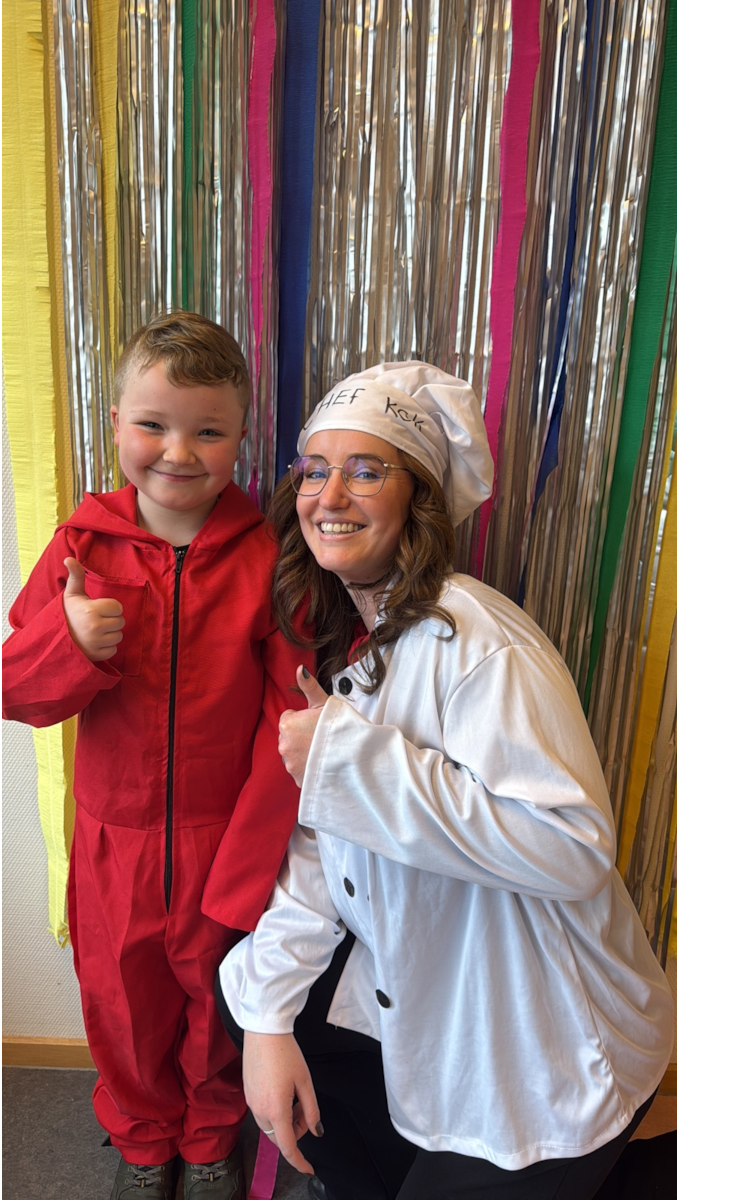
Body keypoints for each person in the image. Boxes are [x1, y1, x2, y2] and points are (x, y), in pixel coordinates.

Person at [214, 362, 675, 1200]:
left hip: (551, 1057)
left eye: (366, 471)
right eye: (315, 470)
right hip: (457, 1003)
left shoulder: (479, 642)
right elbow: (323, 849)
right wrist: (265, 1021)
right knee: (255, 1000)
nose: (330, 495)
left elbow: (572, 848)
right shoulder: (364, 643)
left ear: (418, 501)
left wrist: (348, 763)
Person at [2, 310, 313, 1200]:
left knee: (217, 1002)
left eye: (207, 431)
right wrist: (68, 643)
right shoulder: (82, 549)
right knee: (121, 1001)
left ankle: (210, 1139)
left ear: (241, 436)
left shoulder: (270, 559)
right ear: (115, 425)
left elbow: (291, 712)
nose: (178, 452)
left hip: (225, 834)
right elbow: (18, 692)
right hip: (116, 842)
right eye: (153, 424)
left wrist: (254, 850)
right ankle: (142, 1141)